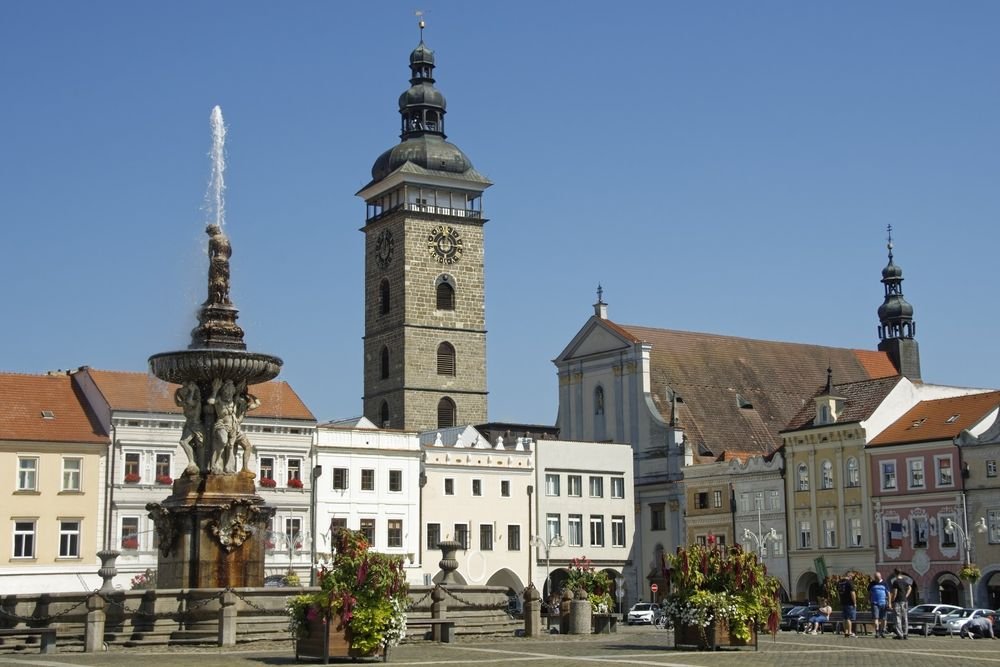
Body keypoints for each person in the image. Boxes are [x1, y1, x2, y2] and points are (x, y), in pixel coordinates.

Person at [889, 568, 913, 639]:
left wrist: (892, 601)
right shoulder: (905, 581)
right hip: (905, 601)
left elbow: (895, 592)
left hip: (898, 601)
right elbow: (910, 588)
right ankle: (905, 633)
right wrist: (906, 595)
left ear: (895, 573)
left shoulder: (895, 582)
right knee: (905, 617)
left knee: (897, 618)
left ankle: (900, 634)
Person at [868, 571, 890, 638]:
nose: (876, 579)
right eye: (875, 578)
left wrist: (889, 603)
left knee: (884, 618)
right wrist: (868, 600)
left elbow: (888, 593)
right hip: (875, 603)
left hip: (883, 603)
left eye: (877, 578)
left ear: (880, 577)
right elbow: (868, 593)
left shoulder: (885, 583)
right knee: (876, 618)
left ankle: (883, 631)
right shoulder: (872, 584)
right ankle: (877, 631)